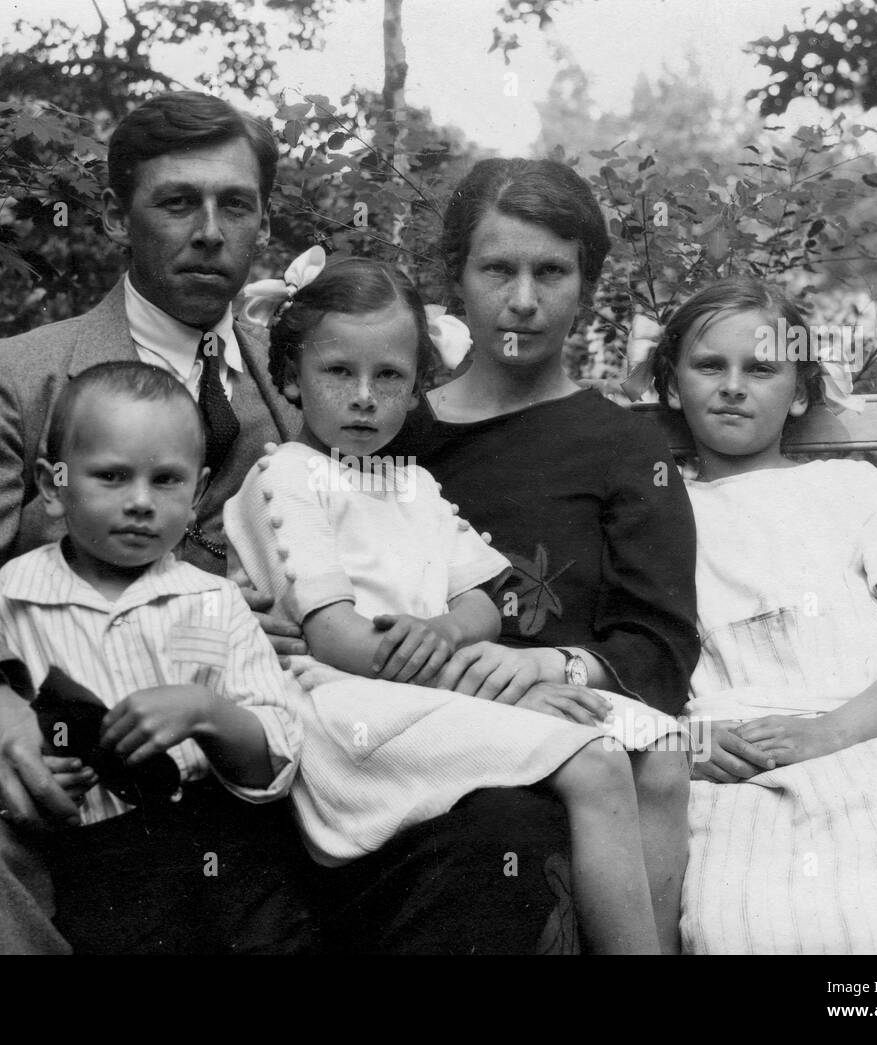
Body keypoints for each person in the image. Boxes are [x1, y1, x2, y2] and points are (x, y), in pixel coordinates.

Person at [0, 91, 575, 955]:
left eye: (236, 204)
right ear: (120, 213)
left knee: (502, 827)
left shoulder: (314, 374)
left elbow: (410, 543)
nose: (210, 230)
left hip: (272, 746)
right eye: (177, 202)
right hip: (56, 739)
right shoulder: (17, 380)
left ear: (263, 217)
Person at [225, 254, 678, 953]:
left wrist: (446, 627)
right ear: (290, 377)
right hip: (349, 709)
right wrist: (477, 686)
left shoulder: (412, 483)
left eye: (390, 377)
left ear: (416, 391)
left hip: (433, 692)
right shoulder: (286, 477)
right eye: (338, 372)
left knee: (665, 748)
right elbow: (336, 638)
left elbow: (484, 604)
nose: (365, 397)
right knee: (594, 762)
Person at [332, 157, 700, 953]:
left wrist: (551, 666)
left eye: (552, 272)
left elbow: (662, 647)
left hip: (557, 737)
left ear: (587, 285)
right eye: (498, 268)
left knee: (515, 822)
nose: (524, 300)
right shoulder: (388, 433)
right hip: (403, 724)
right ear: (456, 279)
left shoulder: (627, 448)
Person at [649, 276, 877, 953]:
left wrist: (824, 735)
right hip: (737, 765)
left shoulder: (850, 488)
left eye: (761, 368)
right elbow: (635, 669)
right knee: (747, 924)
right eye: (709, 365)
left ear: (802, 392)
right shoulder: (661, 511)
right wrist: (687, 746)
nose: (733, 385)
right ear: (673, 385)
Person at [0, 361, 306, 952]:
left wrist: (204, 711)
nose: (140, 502)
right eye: (111, 476)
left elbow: (274, 762)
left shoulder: (212, 599)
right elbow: (5, 723)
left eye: (166, 481)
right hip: (99, 857)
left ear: (199, 491)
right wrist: (41, 774)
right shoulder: (18, 594)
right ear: (53, 487)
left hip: (226, 841)